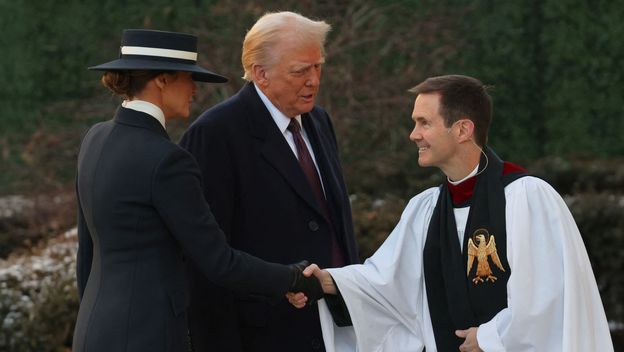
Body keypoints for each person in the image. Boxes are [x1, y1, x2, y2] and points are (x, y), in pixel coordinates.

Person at [289, 75, 614, 351]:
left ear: (462, 130)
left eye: (424, 123)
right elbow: (387, 283)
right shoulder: (426, 209)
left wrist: (488, 338)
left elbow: (547, 300)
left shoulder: (526, 198)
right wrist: (326, 282)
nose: (413, 134)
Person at [73, 29, 322, 352]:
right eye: (188, 78)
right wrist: (292, 278)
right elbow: (219, 261)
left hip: (95, 330)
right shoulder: (167, 160)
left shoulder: (95, 138)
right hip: (148, 336)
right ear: (162, 80)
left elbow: (86, 252)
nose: (193, 90)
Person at [179, 11, 359, 352]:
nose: (314, 80)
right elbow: (205, 258)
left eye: (318, 66)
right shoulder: (216, 134)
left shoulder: (318, 121)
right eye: (300, 71)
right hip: (263, 334)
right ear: (260, 74)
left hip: (337, 325)